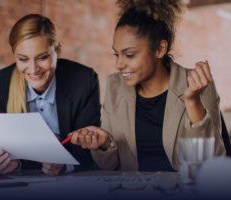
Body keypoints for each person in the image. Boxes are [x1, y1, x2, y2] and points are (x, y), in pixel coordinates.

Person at [69, 0, 226, 171]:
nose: (119, 64)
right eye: (117, 54)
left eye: (129, 55)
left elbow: (211, 164)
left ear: (160, 49)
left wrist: (193, 102)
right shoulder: (115, 86)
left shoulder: (197, 85)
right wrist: (105, 144)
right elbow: (108, 166)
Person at [0, 14, 101, 176]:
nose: (33, 69)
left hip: (72, 177)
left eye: (42, 57)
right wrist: (7, 162)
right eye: (23, 59)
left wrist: (64, 166)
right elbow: (5, 148)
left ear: (58, 51)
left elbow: (90, 148)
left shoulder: (84, 80)